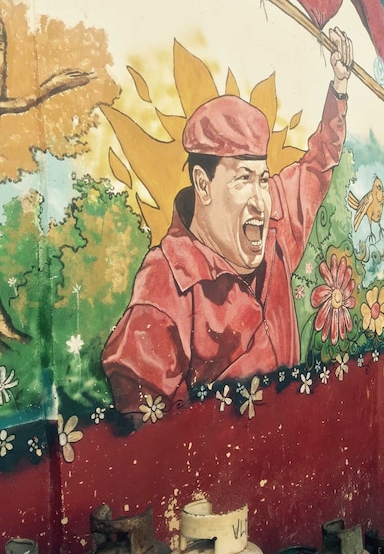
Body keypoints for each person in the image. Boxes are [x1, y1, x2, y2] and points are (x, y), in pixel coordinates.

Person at [102, 29, 354, 426]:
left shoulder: (274, 228)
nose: (260, 198)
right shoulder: (165, 284)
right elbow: (147, 426)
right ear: (203, 185)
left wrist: (338, 89)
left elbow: (316, 166)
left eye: (263, 178)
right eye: (242, 180)